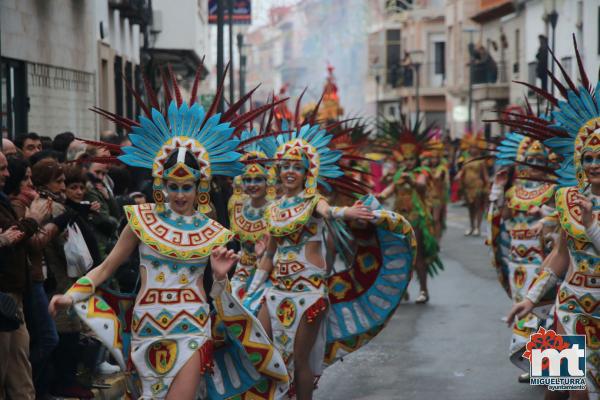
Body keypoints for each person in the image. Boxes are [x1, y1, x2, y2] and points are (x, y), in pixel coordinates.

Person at [49, 73, 289, 399]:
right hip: (147, 328)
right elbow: (106, 269)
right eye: (173, 186)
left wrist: (219, 278)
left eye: (186, 186)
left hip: (192, 327)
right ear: (162, 185)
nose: (179, 194)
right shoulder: (140, 221)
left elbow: (220, 295)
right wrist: (71, 296)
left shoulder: (211, 232)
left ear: (198, 187)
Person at [248, 117, 416, 399]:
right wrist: (252, 290)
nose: (290, 172)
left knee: (300, 361)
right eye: (285, 166)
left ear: (306, 173)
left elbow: (328, 212)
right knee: (264, 353)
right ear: (278, 170)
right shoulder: (273, 209)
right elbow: (270, 254)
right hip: (275, 290)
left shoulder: (313, 202)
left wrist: (346, 212)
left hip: (308, 293)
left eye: (296, 167)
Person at [506, 42, 600, 400]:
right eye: (588, 157)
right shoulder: (565, 199)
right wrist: (530, 299)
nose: (594, 164)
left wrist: (591, 223)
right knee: (558, 391)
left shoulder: (584, 208)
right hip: (570, 305)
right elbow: (559, 256)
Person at [487, 133, 557, 382]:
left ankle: (548, 368)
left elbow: (558, 229)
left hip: (543, 261)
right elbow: (502, 218)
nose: (531, 166)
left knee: (543, 312)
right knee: (527, 310)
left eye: (537, 161)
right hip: (517, 260)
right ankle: (536, 365)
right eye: (529, 160)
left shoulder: (554, 191)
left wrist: (546, 214)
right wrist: (498, 186)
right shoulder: (514, 191)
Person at [377, 117, 443, 304]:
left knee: (418, 257)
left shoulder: (422, 172)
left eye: (410, 159)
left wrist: (411, 181)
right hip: (399, 220)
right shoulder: (397, 175)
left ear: (416, 159)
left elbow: (421, 186)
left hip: (417, 219)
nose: (407, 162)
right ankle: (402, 289)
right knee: (399, 257)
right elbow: (387, 192)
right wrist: (378, 197)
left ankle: (423, 290)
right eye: (404, 159)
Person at [0, 151, 49, 400]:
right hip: (3, 296)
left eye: (7, 168)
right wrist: (32, 221)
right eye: (1, 169)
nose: (6, 175)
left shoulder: (4, 202)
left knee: (20, 367)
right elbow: (14, 236)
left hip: (15, 294)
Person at [456, 131, 489, 236]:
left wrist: (487, 187)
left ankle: (478, 228)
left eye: (475, 147)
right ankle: (471, 226)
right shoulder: (465, 159)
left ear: (478, 149)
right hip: (467, 187)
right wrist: (460, 184)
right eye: (471, 147)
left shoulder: (481, 161)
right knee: (470, 208)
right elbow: (462, 172)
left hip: (478, 187)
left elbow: (485, 175)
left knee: (478, 207)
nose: (472, 149)